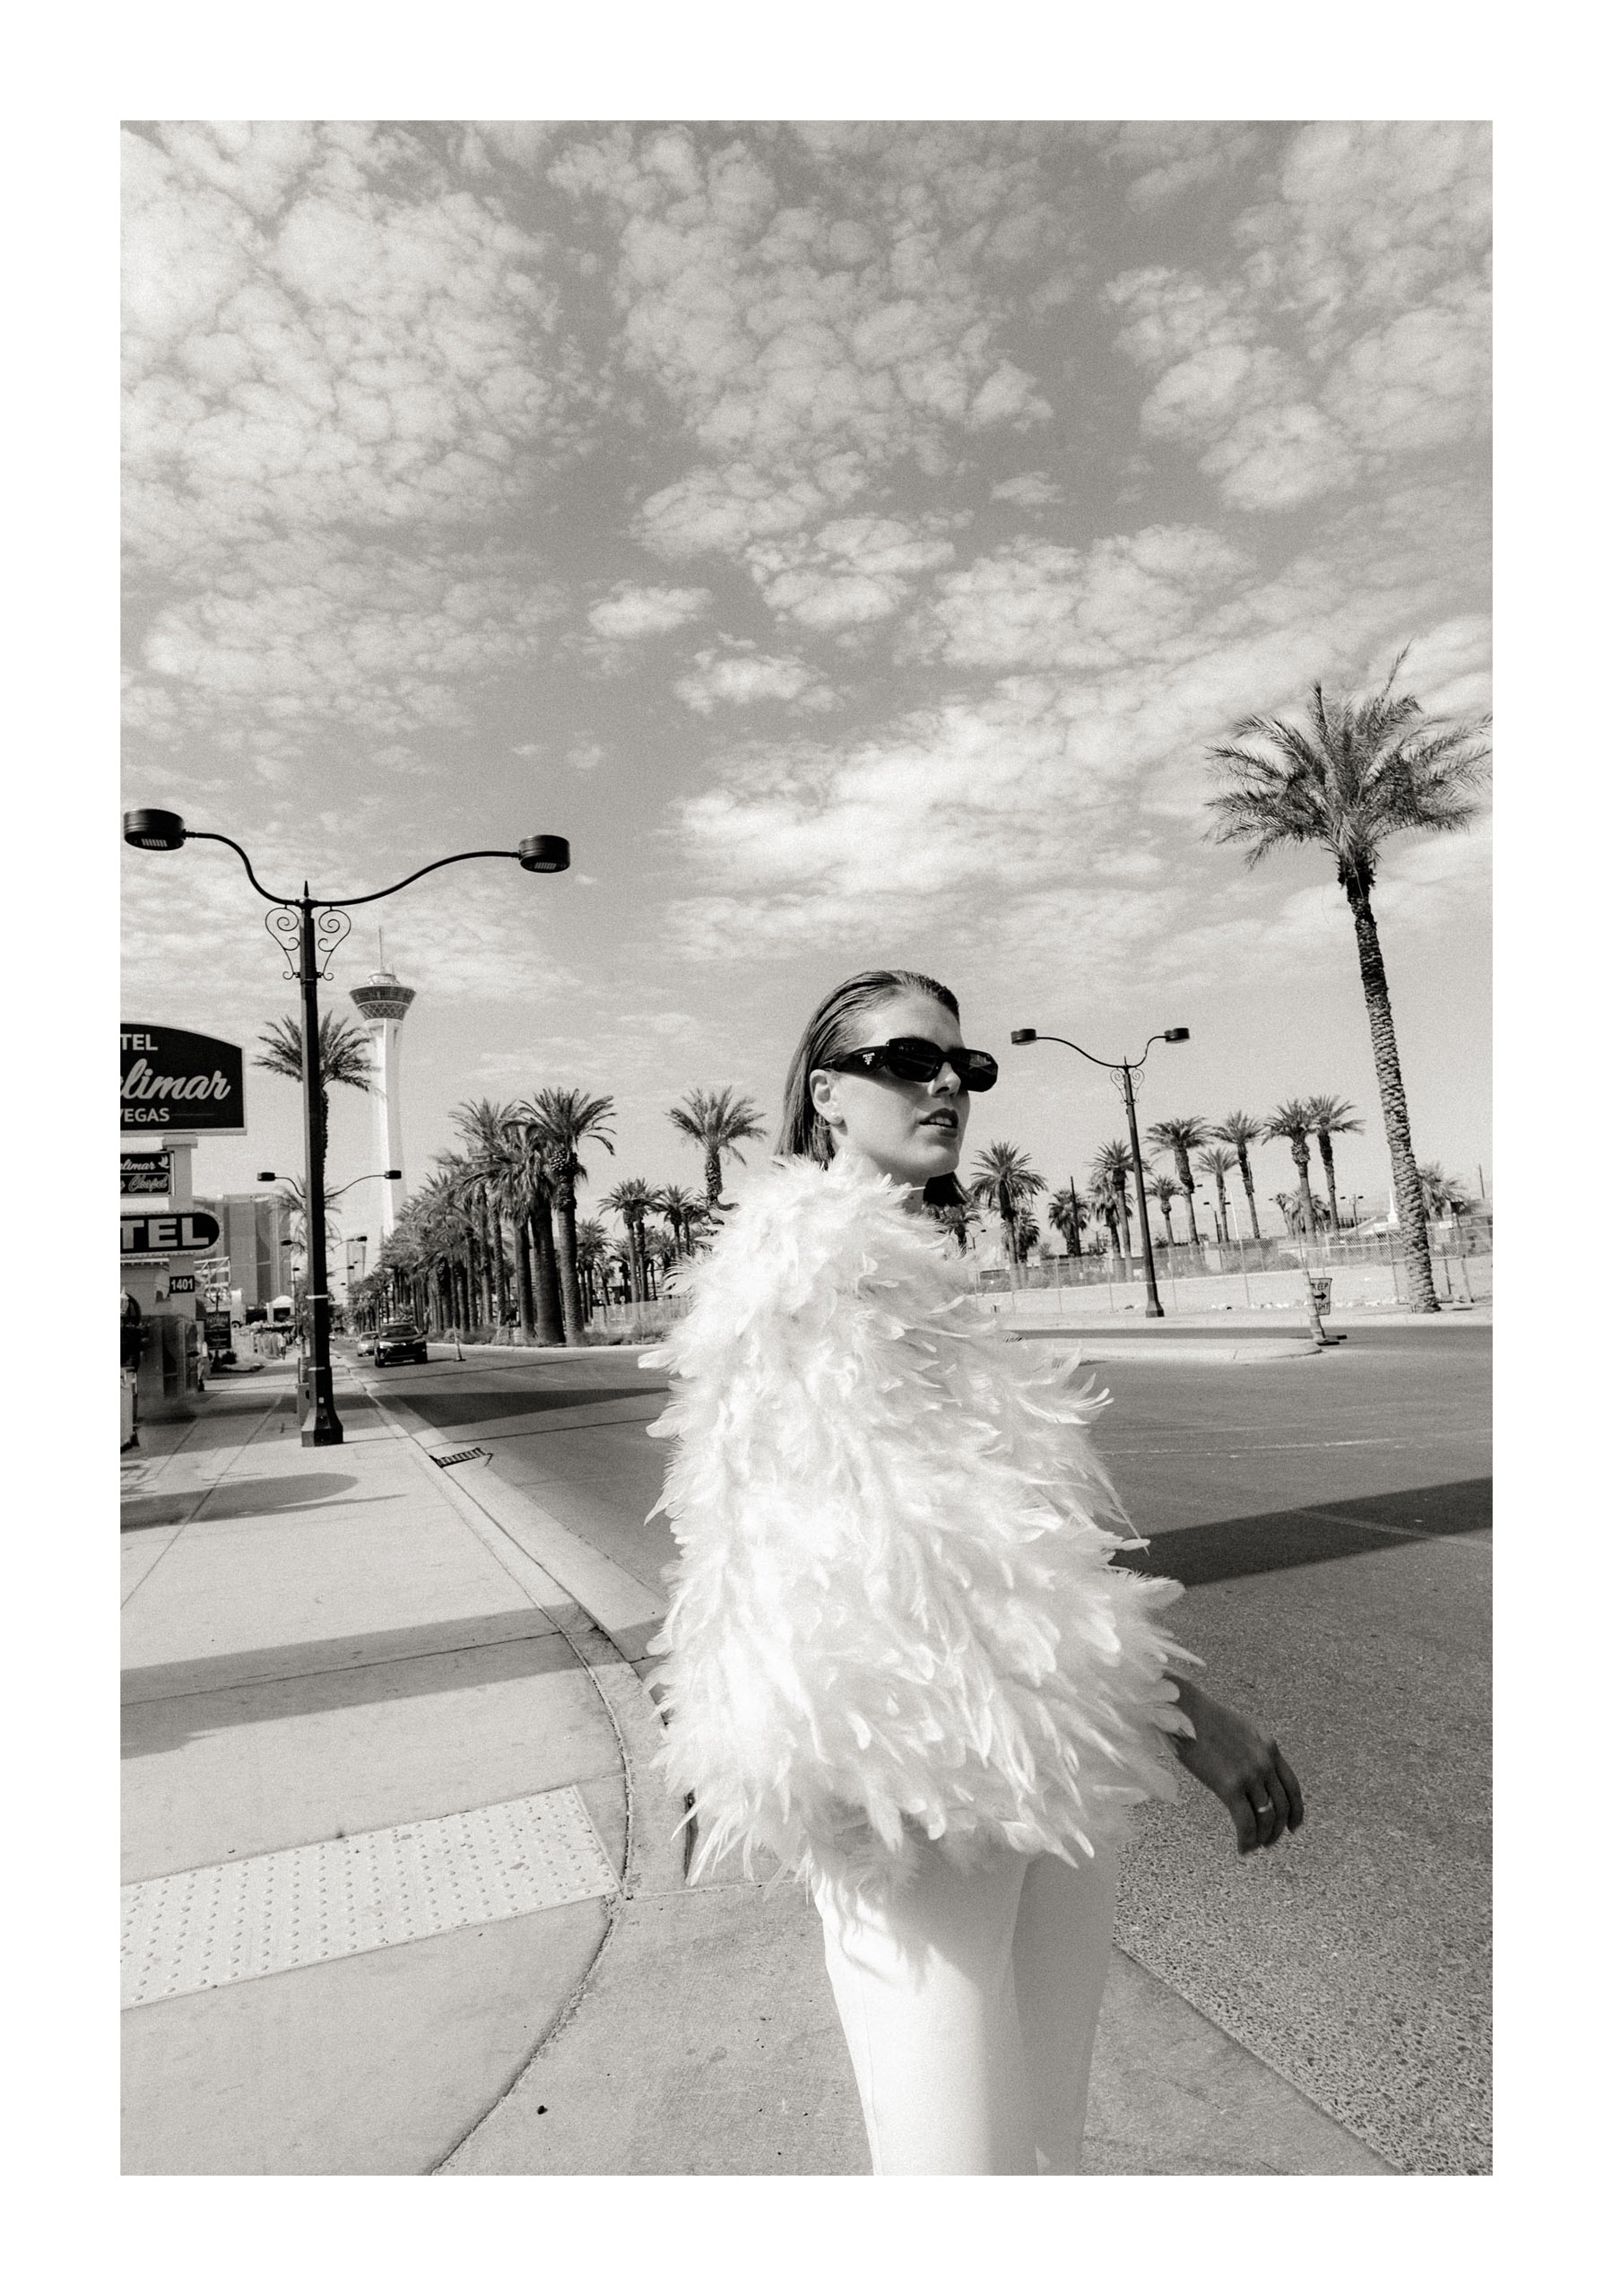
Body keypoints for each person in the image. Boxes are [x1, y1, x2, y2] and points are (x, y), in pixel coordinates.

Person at [643, 969, 1303, 2176]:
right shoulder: (810, 1256)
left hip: (1037, 1765)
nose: (948, 1082)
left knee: (1040, 2155)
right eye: (909, 1059)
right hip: (911, 1794)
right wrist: (1186, 1714)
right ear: (828, 1093)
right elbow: (917, 1552)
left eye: (967, 1065)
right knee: (960, 2173)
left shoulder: (912, 1268)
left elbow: (1021, 1532)